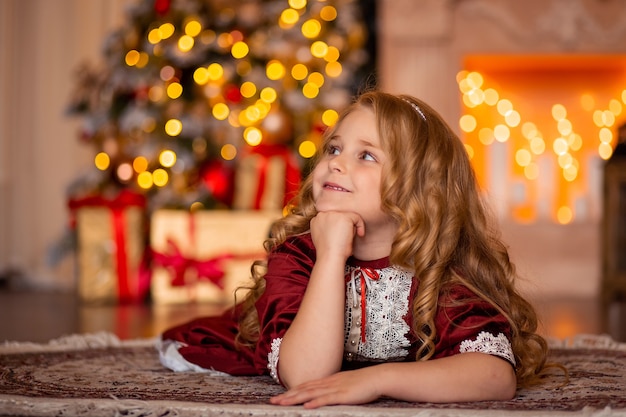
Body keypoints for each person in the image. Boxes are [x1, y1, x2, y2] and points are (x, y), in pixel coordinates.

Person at [158, 90, 559, 408]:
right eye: (334, 148)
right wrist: (331, 255)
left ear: (421, 188)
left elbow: (494, 376)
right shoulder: (298, 255)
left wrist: (376, 379)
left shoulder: (442, 265)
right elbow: (305, 375)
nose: (336, 163)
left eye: (366, 155)